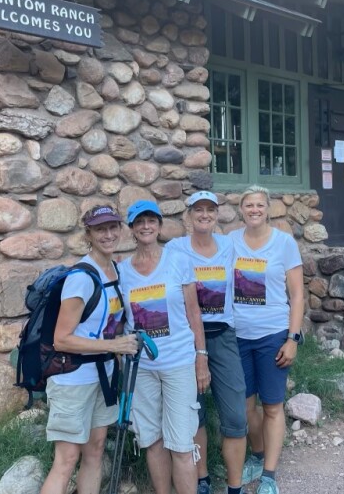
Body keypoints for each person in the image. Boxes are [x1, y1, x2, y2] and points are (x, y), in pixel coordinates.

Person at [40, 204, 139, 494]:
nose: (108, 234)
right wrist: (114, 345)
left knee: (95, 451)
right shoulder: (81, 278)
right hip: (73, 380)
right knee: (67, 459)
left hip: (103, 377)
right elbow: (62, 339)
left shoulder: (114, 270)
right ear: (89, 234)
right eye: (100, 229)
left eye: (112, 227)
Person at [119, 200, 210, 494]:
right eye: (139, 222)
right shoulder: (122, 271)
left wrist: (201, 357)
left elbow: (194, 312)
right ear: (132, 229)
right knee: (152, 441)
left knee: (182, 444)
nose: (146, 226)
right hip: (142, 368)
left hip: (179, 363)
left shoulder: (178, 261)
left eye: (151, 220)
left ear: (159, 225)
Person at [167, 191, 247, 494]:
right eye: (198, 210)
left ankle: (235, 486)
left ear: (217, 214)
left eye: (210, 210)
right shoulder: (175, 249)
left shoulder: (229, 245)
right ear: (188, 216)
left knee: (236, 413)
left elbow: (257, 260)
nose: (204, 215)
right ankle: (201, 480)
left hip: (223, 334)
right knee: (194, 411)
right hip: (187, 338)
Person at [232, 186, 304, 494]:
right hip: (237, 336)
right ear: (241, 210)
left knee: (272, 406)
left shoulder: (284, 243)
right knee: (246, 407)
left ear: (268, 208)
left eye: (260, 204)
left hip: (273, 335)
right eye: (249, 205)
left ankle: (269, 476)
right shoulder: (230, 241)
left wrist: (293, 338)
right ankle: (258, 456)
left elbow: (298, 294)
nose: (254, 209)